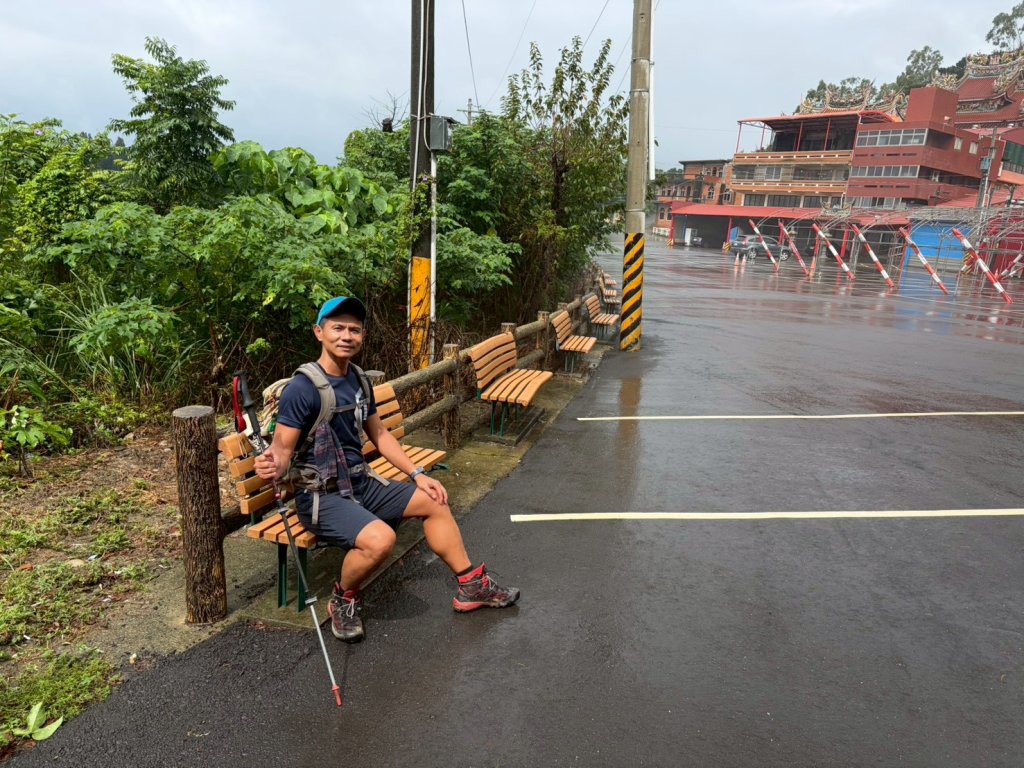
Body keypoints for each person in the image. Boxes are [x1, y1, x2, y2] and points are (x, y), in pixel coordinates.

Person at [254, 296, 519, 643]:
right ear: (319, 332)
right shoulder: (303, 389)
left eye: (354, 329)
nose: (346, 336)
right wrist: (270, 464)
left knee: (434, 499)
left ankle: (470, 586)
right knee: (382, 540)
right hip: (321, 496)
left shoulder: (359, 381)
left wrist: (418, 475)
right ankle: (343, 598)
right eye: (337, 328)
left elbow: (379, 434)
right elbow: (283, 451)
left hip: (361, 484)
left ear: (362, 336)